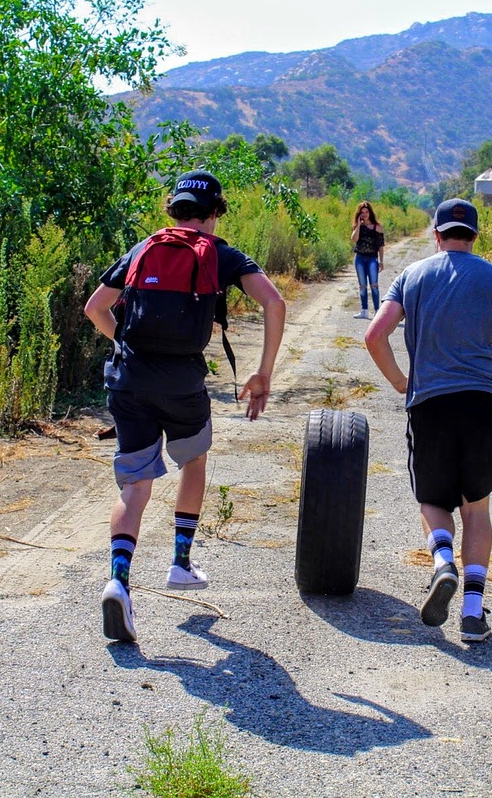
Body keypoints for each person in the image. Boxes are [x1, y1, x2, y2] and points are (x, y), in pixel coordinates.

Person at [84, 170, 286, 642]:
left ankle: (118, 580)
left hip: (129, 382)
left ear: (172, 208)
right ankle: (180, 563)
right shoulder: (221, 254)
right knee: (193, 460)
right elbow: (274, 303)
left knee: (134, 485)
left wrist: (127, 345)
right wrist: (262, 373)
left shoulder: (143, 247)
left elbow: (96, 308)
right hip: (183, 383)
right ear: (215, 213)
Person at [364, 198, 492, 643]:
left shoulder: (412, 276)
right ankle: (473, 613)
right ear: (474, 236)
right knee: (475, 507)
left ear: (436, 235)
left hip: (430, 405)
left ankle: (443, 562)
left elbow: (374, 334)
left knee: (433, 501)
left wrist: (402, 381)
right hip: (482, 405)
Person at [350, 201, 386, 319]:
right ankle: (364, 310)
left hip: (372, 258)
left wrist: (381, 261)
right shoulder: (358, 226)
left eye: (366, 212)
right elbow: (354, 239)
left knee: (374, 285)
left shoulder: (377, 227)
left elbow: (381, 245)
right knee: (362, 285)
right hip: (359, 258)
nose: (365, 214)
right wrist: (359, 225)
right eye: (362, 212)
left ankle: (377, 310)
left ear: (370, 212)